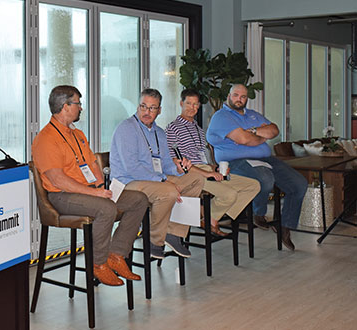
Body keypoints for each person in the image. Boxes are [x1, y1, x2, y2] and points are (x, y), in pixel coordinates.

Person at [32, 85, 148, 286]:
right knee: (106, 208)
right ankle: (98, 263)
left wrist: (101, 186)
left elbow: (92, 163)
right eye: (78, 103)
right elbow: (58, 180)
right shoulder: (46, 139)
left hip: (87, 192)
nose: (80, 108)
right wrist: (94, 193)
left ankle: (117, 254)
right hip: (62, 196)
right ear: (66, 106)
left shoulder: (77, 135)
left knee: (139, 200)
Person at [206, 84, 307, 250]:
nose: (239, 99)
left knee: (299, 184)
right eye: (236, 95)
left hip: (265, 159)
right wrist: (260, 135)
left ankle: (285, 226)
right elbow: (245, 140)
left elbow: (274, 130)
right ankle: (258, 213)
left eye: (243, 96)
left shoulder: (252, 115)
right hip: (236, 162)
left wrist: (253, 130)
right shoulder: (222, 116)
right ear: (229, 96)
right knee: (265, 178)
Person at [109, 88, 204, 259]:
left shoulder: (160, 133)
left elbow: (167, 165)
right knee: (168, 191)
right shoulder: (127, 128)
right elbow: (132, 167)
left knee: (196, 179)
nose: (147, 112)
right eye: (143, 106)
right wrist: (163, 180)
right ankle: (154, 240)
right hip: (128, 182)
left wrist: (180, 169)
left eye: (152, 108)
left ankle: (173, 232)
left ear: (159, 110)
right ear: (138, 106)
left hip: (154, 180)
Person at [166, 89, 260, 237]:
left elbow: (204, 155)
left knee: (253, 186)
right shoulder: (172, 128)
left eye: (196, 104)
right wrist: (207, 172)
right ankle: (211, 219)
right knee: (229, 195)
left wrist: (215, 168)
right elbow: (176, 162)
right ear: (181, 104)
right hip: (193, 174)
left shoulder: (198, 129)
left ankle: (211, 217)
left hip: (207, 169)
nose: (193, 108)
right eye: (189, 103)